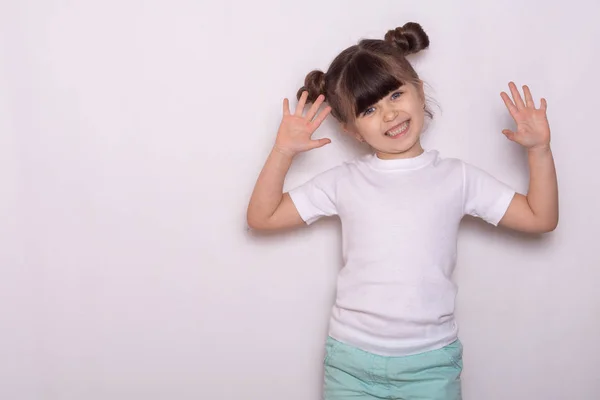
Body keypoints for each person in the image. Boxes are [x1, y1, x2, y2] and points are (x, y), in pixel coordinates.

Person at [246, 21, 558, 400]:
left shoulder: (457, 178)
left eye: (395, 95)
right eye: (370, 109)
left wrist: (538, 151)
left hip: (430, 364)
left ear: (420, 92)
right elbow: (262, 217)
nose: (389, 115)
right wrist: (283, 152)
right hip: (350, 363)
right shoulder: (344, 181)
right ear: (353, 131)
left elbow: (540, 218)